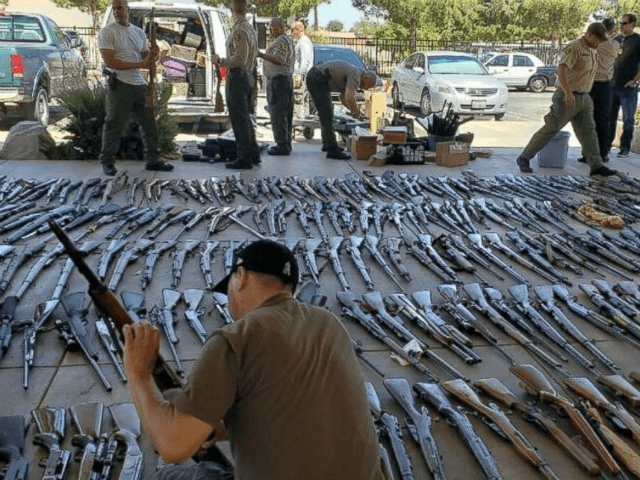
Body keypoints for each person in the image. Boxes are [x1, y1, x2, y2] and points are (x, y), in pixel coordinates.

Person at [122, 239, 386, 480]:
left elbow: (172, 445)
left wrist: (138, 373)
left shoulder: (235, 338)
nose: (229, 302)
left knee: (167, 476)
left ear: (240, 276)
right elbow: (303, 404)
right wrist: (225, 428)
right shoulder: (330, 324)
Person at [515, 22, 617, 177]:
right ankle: (524, 157)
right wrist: (568, 92)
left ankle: (596, 166)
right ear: (589, 35)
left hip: (584, 97)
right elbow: (561, 70)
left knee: (589, 132)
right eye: (597, 40)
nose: (598, 44)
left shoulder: (592, 50)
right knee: (551, 129)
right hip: (568, 98)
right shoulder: (574, 47)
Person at [98, 0, 174, 176]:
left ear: (127, 10)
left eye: (120, 8)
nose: (117, 12)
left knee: (149, 124)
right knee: (114, 124)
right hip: (120, 84)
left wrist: (153, 53)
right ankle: (107, 161)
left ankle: (153, 160)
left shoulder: (138, 32)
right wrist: (141, 64)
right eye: (115, 8)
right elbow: (110, 62)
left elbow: (146, 56)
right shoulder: (108, 32)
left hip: (139, 84)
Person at [212, 0, 260, 170]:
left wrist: (221, 61)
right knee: (246, 118)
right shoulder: (250, 29)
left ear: (233, 8)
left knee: (239, 120)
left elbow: (239, 59)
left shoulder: (240, 30)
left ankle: (244, 158)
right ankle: (253, 154)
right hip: (247, 76)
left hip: (239, 78)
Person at [306, 60, 378, 160]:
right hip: (317, 78)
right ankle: (331, 149)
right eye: (367, 86)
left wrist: (353, 111)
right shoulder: (356, 75)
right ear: (366, 78)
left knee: (327, 114)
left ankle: (328, 144)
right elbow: (349, 97)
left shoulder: (354, 73)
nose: (365, 89)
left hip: (317, 77)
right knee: (326, 115)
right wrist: (356, 110)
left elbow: (343, 97)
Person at [578, 17, 619, 164]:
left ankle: (586, 153)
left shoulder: (593, 44)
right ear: (612, 30)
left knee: (587, 120)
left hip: (588, 84)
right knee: (602, 121)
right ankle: (602, 153)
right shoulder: (613, 45)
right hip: (604, 85)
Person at [258, 18, 295, 156]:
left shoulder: (281, 42)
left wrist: (261, 54)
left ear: (280, 27)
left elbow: (279, 60)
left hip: (280, 81)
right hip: (282, 80)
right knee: (284, 114)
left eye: (273, 27)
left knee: (278, 113)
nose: (270, 30)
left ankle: (282, 145)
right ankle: (285, 143)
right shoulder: (284, 40)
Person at [607, 13, 640, 158]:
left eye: (624, 23)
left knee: (628, 119)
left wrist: (635, 80)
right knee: (610, 117)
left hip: (628, 87)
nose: (621, 26)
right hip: (613, 85)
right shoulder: (617, 39)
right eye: (620, 23)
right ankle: (606, 146)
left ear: (633, 24)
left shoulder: (637, 41)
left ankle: (625, 147)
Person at [292, 21, 314, 118]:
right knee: (303, 101)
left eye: (292, 30)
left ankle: (299, 124)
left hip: (302, 76)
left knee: (299, 101)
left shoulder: (303, 42)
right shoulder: (302, 42)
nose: (292, 33)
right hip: (303, 76)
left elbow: (305, 61)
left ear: (298, 29)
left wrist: (299, 75)